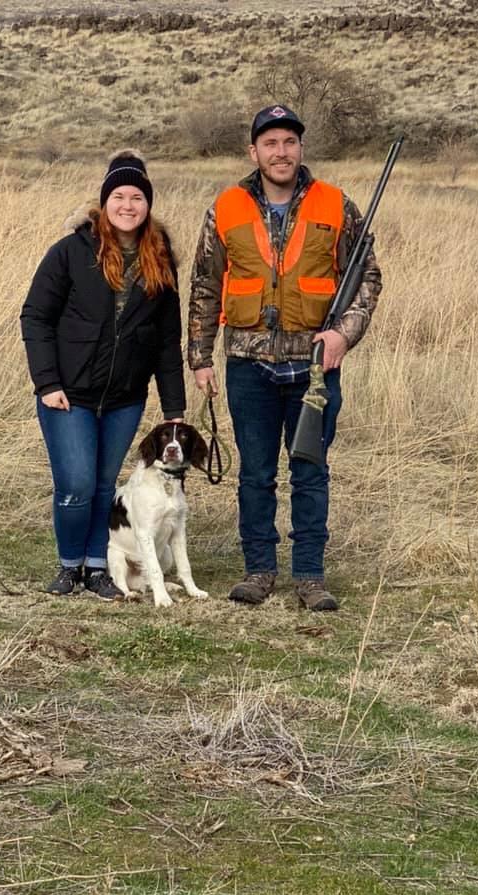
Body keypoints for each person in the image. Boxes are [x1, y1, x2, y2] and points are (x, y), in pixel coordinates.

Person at [188, 105, 382, 611]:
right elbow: (206, 284)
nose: (281, 152)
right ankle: (258, 570)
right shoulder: (225, 207)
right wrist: (200, 357)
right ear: (253, 151)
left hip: (314, 367)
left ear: (301, 148)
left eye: (289, 142)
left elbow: (367, 278)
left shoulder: (336, 205)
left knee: (310, 473)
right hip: (248, 365)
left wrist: (343, 335)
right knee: (255, 475)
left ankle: (310, 576)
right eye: (270, 143)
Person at [21, 150, 185, 599]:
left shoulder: (160, 261)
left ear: (148, 204)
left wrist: (174, 407)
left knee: (103, 485)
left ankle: (98, 567)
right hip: (67, 394)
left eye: (137, 197)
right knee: (75, 484)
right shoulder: (71, 252)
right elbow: (36, 316)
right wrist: (47, 382)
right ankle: (68, 565)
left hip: (124, 398)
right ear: (104, 201)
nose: (128, 205)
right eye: (119, 196)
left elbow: (167, 340)